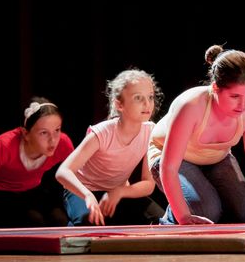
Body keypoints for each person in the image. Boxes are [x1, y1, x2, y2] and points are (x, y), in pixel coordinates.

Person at [148, 46, 245, 225]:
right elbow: (169, 167)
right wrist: (183, 216)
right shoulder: (191, 105)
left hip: (216, 158)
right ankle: (169, 220)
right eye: (234, 96)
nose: (242, 105)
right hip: (170, 158)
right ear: (215, 88)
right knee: (206, 210)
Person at [55, 69, 164, 226]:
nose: (147, 104)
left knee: (160, 221)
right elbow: (63, 172)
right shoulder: (102, 133)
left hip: (115, 192)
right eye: (138, 98)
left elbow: (148, 184)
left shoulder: (151, 131)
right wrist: (87, 195)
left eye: (150, 97)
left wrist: (119, 192)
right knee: (88, 222)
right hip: (83, 190)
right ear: (119, 104)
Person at [0, 98, 73, 229]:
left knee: (59, 220)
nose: (53, 140)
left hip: (30, 192)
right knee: (34, 221)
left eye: (57, 130)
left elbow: (78, 176)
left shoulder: (63, 143)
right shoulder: (5, 146)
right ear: (26, 134)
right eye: (44, 133)